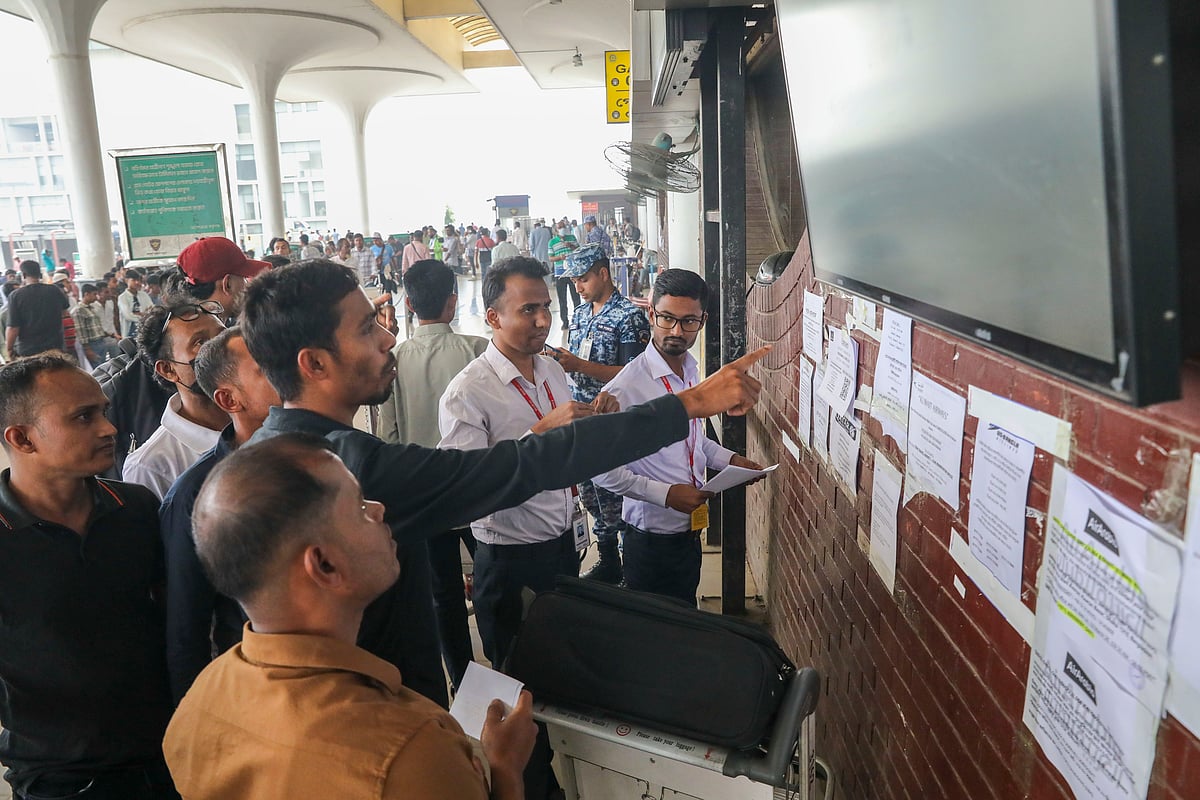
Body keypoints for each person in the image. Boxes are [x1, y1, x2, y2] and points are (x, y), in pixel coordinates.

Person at [240, 259, 768, 712]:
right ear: (313, 362)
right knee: (521, 687)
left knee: (556, 685)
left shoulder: (340, 453)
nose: (388, 337)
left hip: (557, 551)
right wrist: (689, 404)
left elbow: (546, 461)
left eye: (546, 308)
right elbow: (501, 473)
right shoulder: (330, 469)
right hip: (374, 712)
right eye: (366, 329)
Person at [163, 434, 538, 799]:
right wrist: (504, 770)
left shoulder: (202, 699)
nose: (379, 510)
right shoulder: (411, 751)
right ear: (324, 564)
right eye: (359, 506)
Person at [0, 354, 177, 800]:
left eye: (102, 411)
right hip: (62, 779)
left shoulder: (135, 509)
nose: (109, 428)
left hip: (168, 758)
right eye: (83, 417)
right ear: (21, 438)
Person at [595, 269, 766, 604]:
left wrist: (731, 461)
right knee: (657, 632)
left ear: (702, 320)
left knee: (684, 611)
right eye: (666, 319)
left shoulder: (689, 369)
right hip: (650, 540)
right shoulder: (626, 388)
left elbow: (694, 439)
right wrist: (665, 494)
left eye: (689, 321)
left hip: (688, 531)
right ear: (650, 314)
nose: (676, 331)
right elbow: (601, 470)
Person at [378, 260, 486, 690]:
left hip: (423, 499)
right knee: (496, 580)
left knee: (442, 595)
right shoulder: (478, 350)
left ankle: (463, 681)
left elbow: (389, 435)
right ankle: (512, 663)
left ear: (408, 303)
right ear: (453, 301)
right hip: (478, 492)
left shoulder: (394, 360)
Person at [159, 325, 281, 702]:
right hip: (258, 690)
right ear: (229, 399)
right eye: (266, 368)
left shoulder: (330, 456)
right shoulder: (195, 494)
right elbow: (186, 626)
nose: (288, 371)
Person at [549, 243, 651, 583]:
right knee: (591, 494)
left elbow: (633, 374)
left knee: (617, 496)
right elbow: (578, 363)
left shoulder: (629, 317)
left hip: (613, 423)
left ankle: (629, 568)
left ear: (603, 273)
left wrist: (580, 365)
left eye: (582, 278)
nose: (577, 286)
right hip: (581, 419)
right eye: (574, 280)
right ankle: (608, 561)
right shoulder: (580, 315)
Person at [121, 299, 229, 498]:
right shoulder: (149, 466)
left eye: (222, 336)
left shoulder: (260, 416)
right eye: (200, 343)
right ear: (168, 370)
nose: (222, 350)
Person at [160, 236, 270, 320]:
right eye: (244, 279)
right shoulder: (220, 339)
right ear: (227, 284)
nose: (247, 286)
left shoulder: (181, 327)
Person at [5, 260, 69, 358]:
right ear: (39, 274)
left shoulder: (15, 296)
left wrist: (9, 349)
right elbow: (65, 313)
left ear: (24, 275)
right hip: (56, 348)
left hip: (29, 351)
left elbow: (13, 328)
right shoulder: (55, 290)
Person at [74, 282, 120, 364]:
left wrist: (112, 335)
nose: (96, 297)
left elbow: (98, 328)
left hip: (100, 342)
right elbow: (81, 333)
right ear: (86, 294)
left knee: (105, 366)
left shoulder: (91, 308)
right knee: (97, 369)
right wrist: (88, 350)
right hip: (92, 345)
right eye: (94, 294)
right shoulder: (78, 310)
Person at [548, 221, 579, 330]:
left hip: (572, 272)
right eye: (560, 227)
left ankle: (578, 319)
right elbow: (551, 258)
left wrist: (571, 246)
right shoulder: (552, 242)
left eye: (563, 226)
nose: (562, 229)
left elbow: (579, 250)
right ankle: (565, 321)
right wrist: (559, 257)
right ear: (556, 230)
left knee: (576, 297)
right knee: (562, 299)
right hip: (560, 274)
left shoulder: (572, 237)